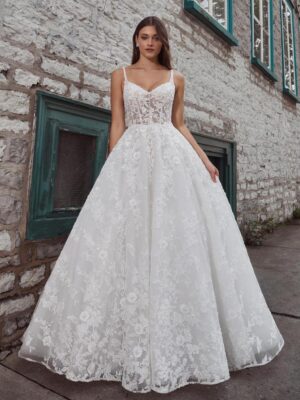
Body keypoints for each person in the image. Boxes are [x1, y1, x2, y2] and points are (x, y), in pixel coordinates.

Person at [18, 15, 284, 394]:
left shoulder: (176, 78)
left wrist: (206, 160)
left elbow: (179, 123)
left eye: (155, 38)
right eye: (143, 37)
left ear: (163, 42)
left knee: (174, 238)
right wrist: (112, 166)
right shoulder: (120, 76)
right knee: (127, 239)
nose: (149, 43)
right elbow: (117, 124)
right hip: (131, 158)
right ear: (135, 40)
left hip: (172, 160)